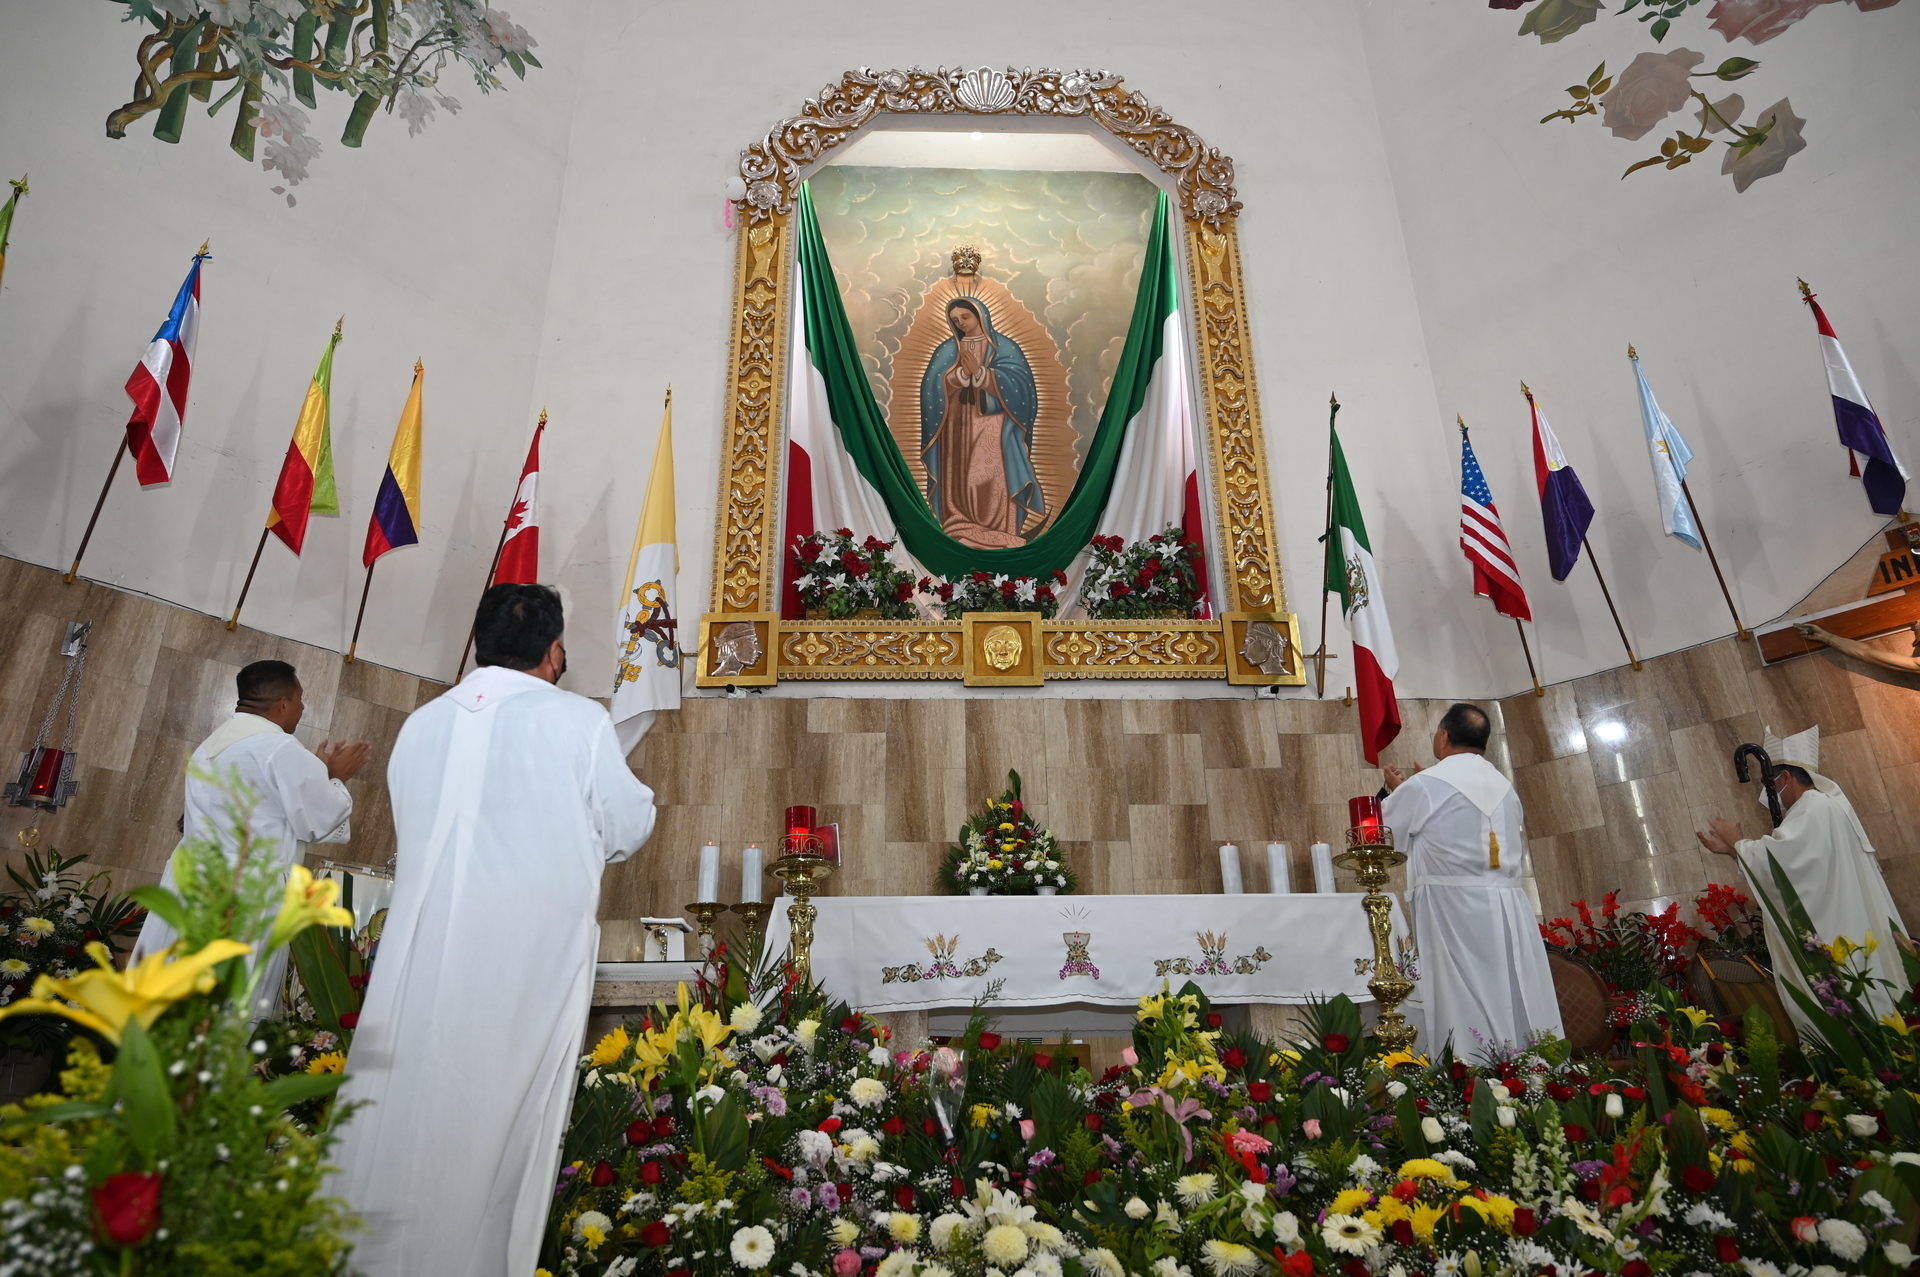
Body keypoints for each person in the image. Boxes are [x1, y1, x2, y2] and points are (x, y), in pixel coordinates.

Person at [332, 583, 657, 1277]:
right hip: (518, 967)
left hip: (419, 961)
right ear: (552, 651)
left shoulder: (421, 723)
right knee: (498, 1130)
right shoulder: (579, 721)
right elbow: (628, 823)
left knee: (402, 1112)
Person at [130, 660, 369, 1020]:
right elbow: (316, 822)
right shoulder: (278, 747)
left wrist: (315, 774)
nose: (302, 708)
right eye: (300, 698)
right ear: (283, 703)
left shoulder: (212, 745)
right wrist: (334, 778)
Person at [1695, 724, 1908, 1030]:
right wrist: (1734, 851)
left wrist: (1737, 842)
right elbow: (1795, 864)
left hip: (1840, 935)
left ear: (1783, 777)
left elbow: (1786, 864)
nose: (1767, 791)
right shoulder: (1824, 806)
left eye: (1769, 781)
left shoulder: (1813, 808)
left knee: (1851, 1022)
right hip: (1846, 921)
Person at [1383, 702, 1563, 1056]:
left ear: (1444, 736)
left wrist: (1397, 792)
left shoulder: (1426, 785)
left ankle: (1469, 1076)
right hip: (1508, 909)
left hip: (1453, 911)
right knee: (1510, 989)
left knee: (1460, 993)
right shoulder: (1505, 788)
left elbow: (1384, 836)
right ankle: (1527, 1073)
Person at [919, 295, 1043, 548]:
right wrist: (961, 374)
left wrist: (983, 374)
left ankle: (999, 530)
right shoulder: (948, 348)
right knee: (961, 474)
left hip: (993, 424)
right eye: (955, 320)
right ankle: (961, 524)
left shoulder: (1004, 348)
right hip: (956, 425)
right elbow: (932, 387)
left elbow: (1022, 388)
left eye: (965, 316)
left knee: (988, 475)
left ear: (980, 316)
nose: (961, 323)